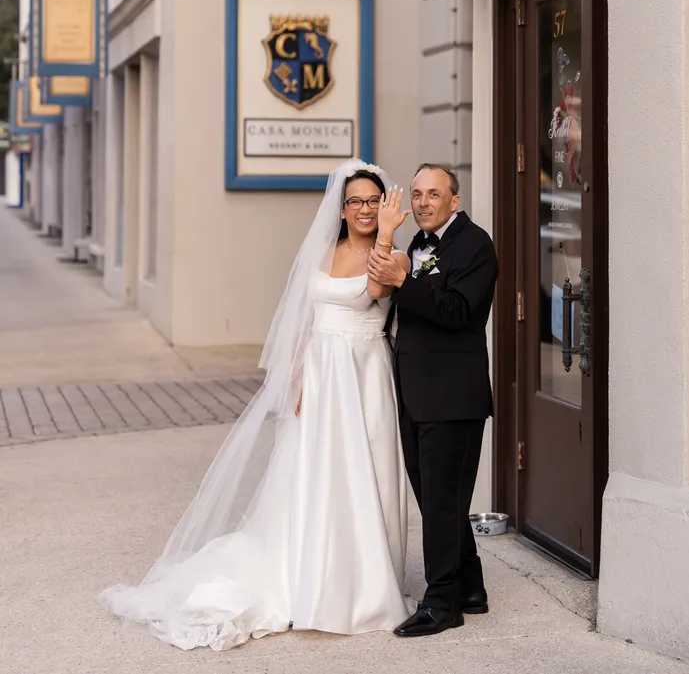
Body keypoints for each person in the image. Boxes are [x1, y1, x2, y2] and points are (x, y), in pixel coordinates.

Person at [100, 161, 415, 650]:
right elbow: (306, 314)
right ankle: (312, 572)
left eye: (373, 200)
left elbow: (376, 291)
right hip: (319, 371)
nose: (365, 209)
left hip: (362, 372)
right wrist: (294, 376)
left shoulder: (391, 252)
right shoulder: (323, 251)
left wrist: (389, 234)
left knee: (364, 470)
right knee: (314, 473)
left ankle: (364, 582)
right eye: (355, 201)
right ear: (342, 208)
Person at [367, 163, 498, 638]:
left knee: (442, 502)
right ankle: (470, 586)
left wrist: (405, 281)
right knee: (437, 499)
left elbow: (459, 312)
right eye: (417, 193)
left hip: (453, 397)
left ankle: (442, 603)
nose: (422, 202)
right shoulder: (418, 246)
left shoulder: (475, 246)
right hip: (416, 393)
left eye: (433, 194)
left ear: (454, 201)